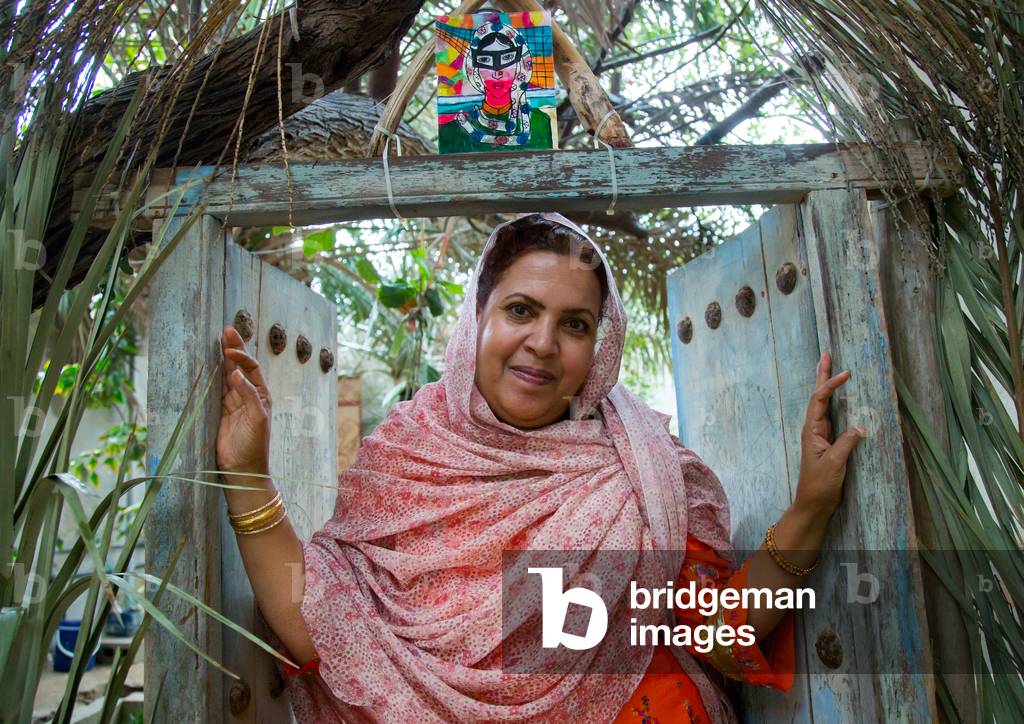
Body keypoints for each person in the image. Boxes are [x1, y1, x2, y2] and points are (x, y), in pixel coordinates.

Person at [217, 213, 865, 722]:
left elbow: (722, 635)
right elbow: (320, 628)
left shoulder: (651, 473)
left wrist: (810, 509)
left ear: (600, 345)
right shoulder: (406, 462)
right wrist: (247, 475)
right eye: (522, 310)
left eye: (575, 323)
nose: (543, 343)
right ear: (479, 316)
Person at [438, 20, 554, 152]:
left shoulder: (540, 122)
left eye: (508, 57)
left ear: (520, 64)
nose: (497, 73)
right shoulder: (454, 127)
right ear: (473, 68)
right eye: (485, 60)